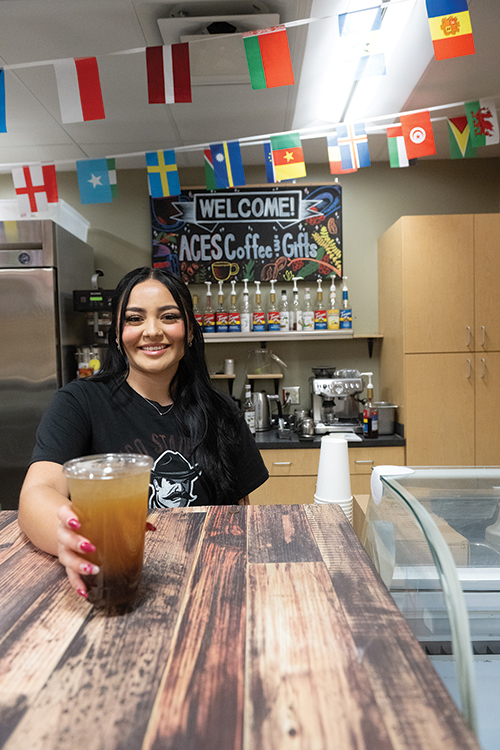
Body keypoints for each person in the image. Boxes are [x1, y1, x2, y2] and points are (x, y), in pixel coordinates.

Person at [18, 266, 268, 597]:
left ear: (190, 331)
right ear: (118, 335)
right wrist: (74, 538)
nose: (151, 331)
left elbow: (242, 515)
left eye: (168, 317)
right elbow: (37, 492)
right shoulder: (80, 402)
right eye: (134, 319)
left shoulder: (222, 413)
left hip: (207, 582)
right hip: (116, 578)